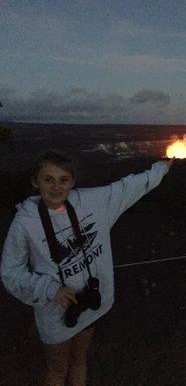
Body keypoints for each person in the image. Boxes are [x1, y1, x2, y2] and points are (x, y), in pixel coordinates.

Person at [0, 151, 174, 386]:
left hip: (91, 304)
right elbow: (11, 272)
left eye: (63, 180)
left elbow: (128, 187)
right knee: (58, 370)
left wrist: (162, 167)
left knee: (80, 359)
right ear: (35, 181)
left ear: (72, 181)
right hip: (54, 312)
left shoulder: (92, 202)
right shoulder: (25, 222)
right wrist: (49, 289)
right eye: (48, 179)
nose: (56, 187)